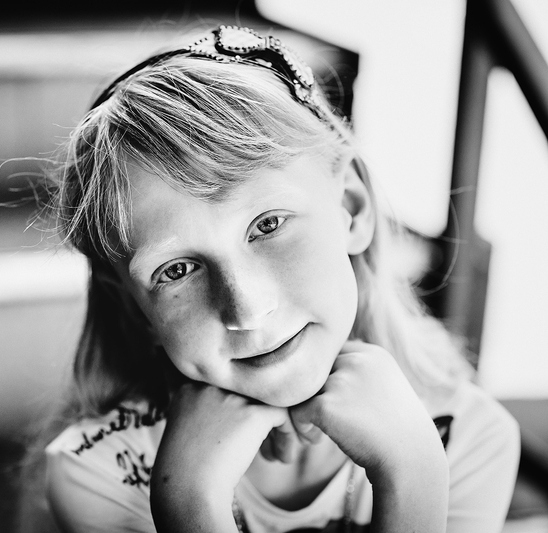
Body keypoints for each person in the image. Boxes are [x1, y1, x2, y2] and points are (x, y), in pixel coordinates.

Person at [36, 25, 520, 533]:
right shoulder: (99, 475)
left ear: (351, 208)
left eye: (268, 225)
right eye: (176, 270)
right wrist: (190, 504)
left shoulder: (467, 440)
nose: (246, 310)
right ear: (135, 306)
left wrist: (413, 474)